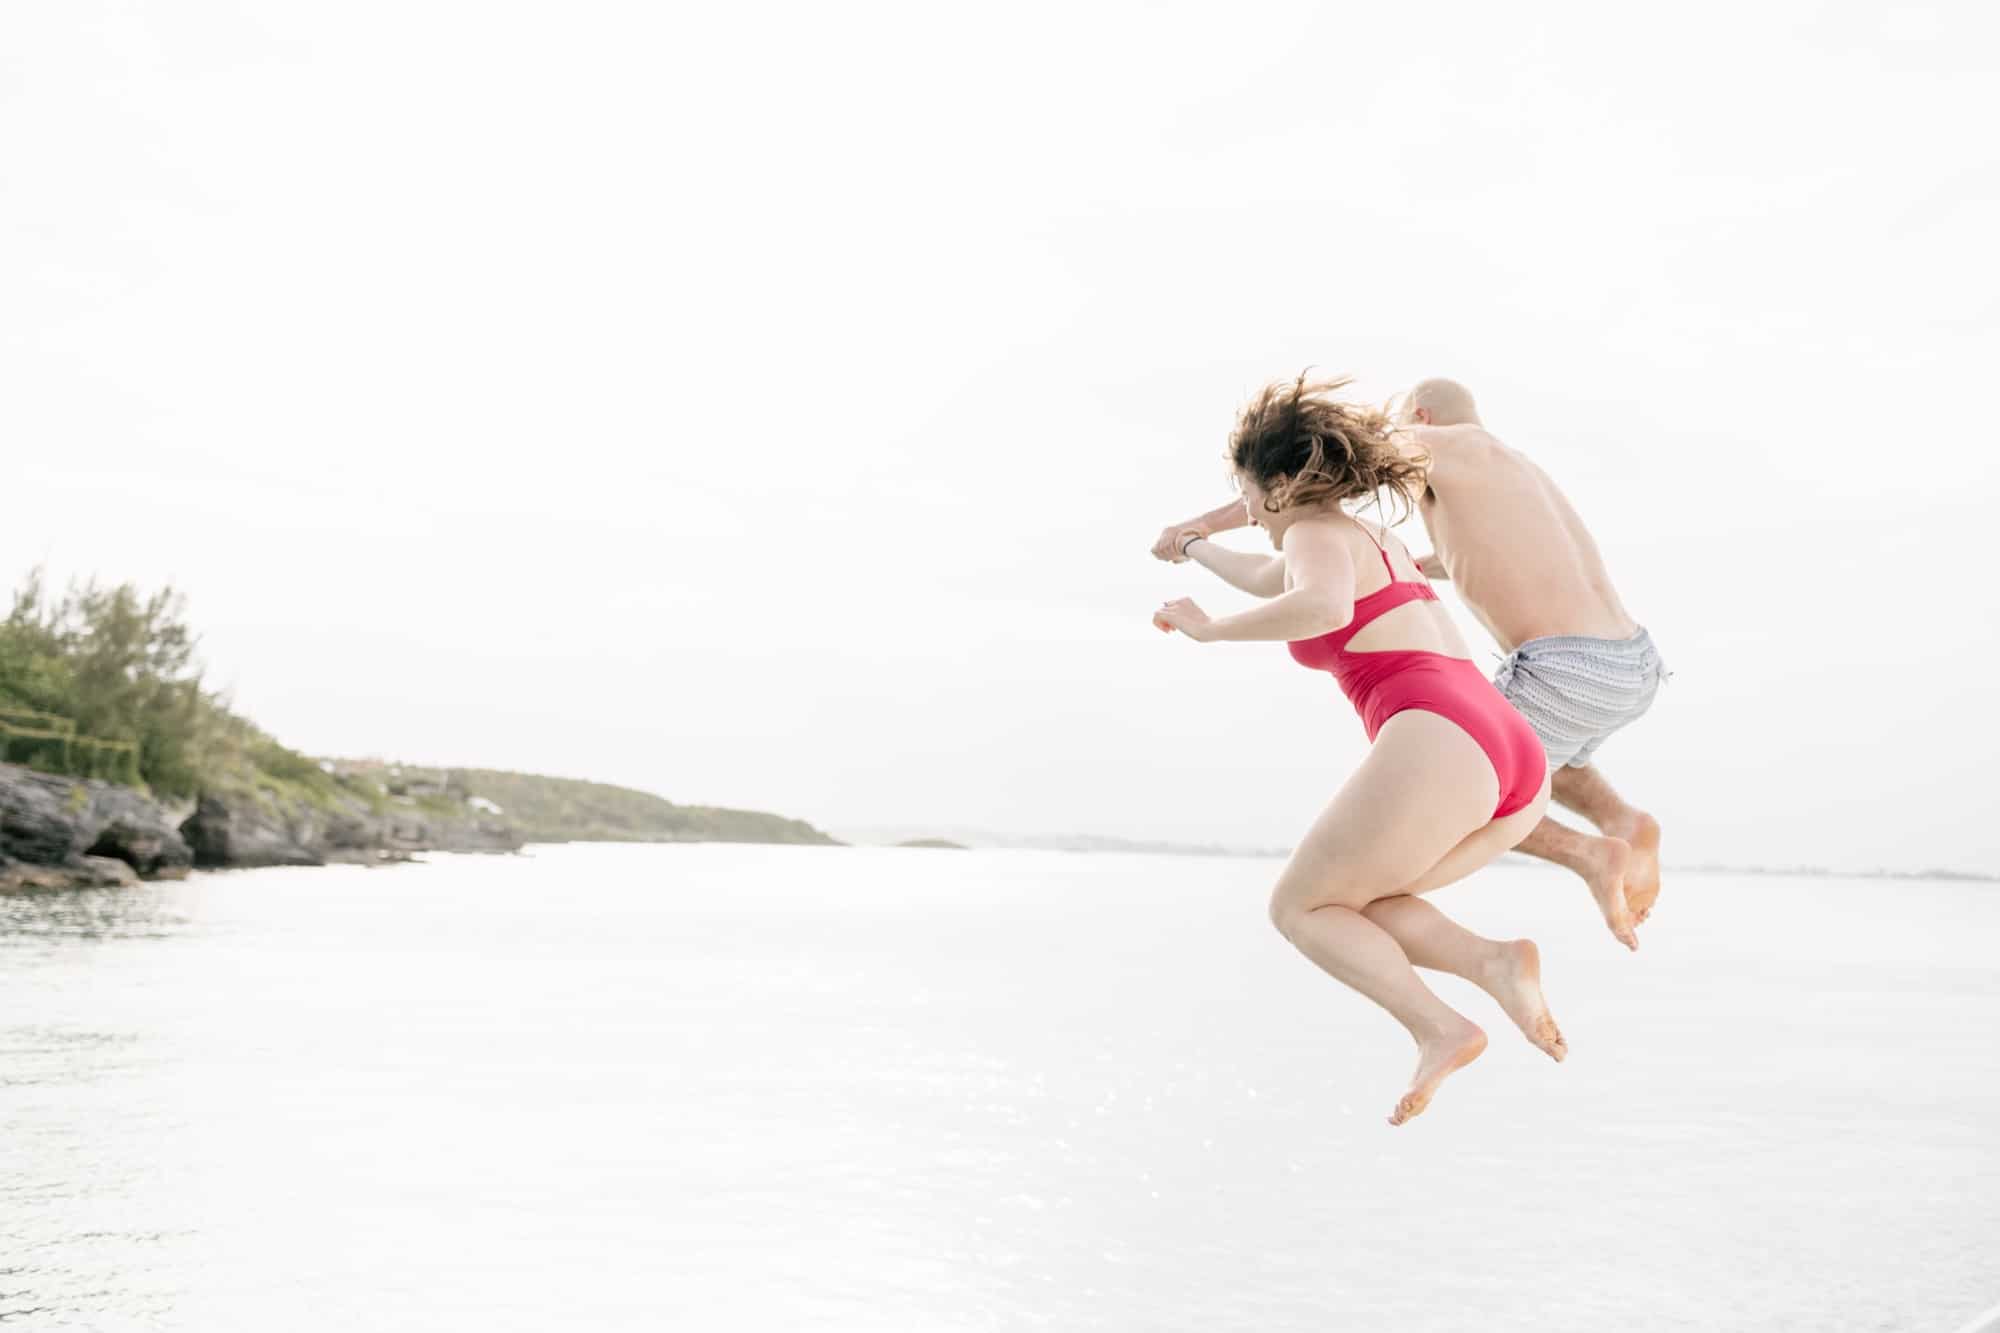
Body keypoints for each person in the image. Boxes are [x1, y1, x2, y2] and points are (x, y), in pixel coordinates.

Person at [1154, 374, 1562, 1126]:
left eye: (1245, 495)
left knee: (1299, 907)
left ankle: (1440, 1025)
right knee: (1359, 901)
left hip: (1438, 729)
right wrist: (1197, 545)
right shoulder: (1369, 538)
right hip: (1507, 750)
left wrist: (1209, 632)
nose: (1246, 511)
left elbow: (1319, 606)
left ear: (1279, 487)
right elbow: (1269, 577)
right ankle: (1493, 962)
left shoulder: (1311, 534)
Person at [1153, 377, 1666, 950]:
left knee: (1473, 774)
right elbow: (1467, 561)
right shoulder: (1511, 470)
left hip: (1563, 665)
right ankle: (1621, 818)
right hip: (1631, 662)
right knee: (1545, 761)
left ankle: (1591, 854)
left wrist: (1194, 528)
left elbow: (1297, 480)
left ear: (1419, 415)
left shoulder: (1432, 442)